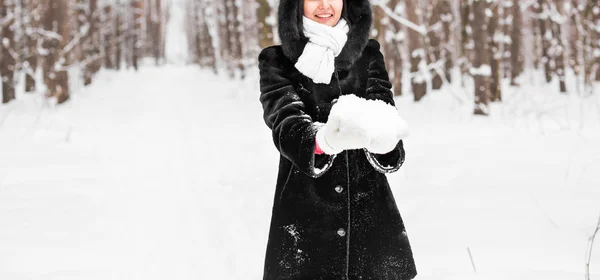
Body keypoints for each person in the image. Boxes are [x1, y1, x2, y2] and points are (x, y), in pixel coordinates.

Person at [257, 0, 417, 279]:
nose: (324, 5)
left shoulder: (368, 56)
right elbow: (285, 123)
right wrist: (323, 141)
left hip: (371, 230)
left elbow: (385, 113)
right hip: (306, 230)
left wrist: (385, 143)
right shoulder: (277, 61)